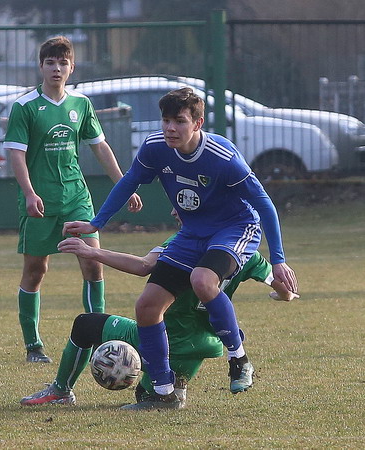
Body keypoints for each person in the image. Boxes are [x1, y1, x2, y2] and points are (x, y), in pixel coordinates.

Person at [63, 87, 298, 409]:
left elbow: (264, 204)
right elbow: (129, 181)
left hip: (234, 227)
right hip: (192, 232)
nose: (171, 128)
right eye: (166, 120)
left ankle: (238, 358)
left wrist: (279, 260)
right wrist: (96, 223)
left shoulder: (222, 156)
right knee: (147, 306)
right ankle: (164, 393)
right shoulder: (155, 148)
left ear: (198, 123)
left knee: (202, 279)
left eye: (180, 121)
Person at [20, 234, 298, 408]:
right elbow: (283, 287)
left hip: (164, 337)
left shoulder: (183, 243)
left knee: (85, 324)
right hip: (201, 346)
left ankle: (61, 391)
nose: (176, 211)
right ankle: (173, 387)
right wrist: (282, 295)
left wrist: (92, 252)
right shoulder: (244, 251)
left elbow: (143, 265)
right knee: (144, 395)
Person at [3, 35, 142, 363]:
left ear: (72, 67)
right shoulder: (25, 107)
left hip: (76, 198)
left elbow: (100, 147)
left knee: (93, 264)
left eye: (62, 63)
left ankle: (98, 338)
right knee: (36, 270)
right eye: (50, 62)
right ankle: (33, 346)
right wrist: (29, 192)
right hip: (41, 202)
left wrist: (125, 185)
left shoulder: (81, 104)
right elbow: (16, 154)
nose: (56, 68)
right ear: (41, 66)